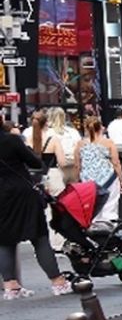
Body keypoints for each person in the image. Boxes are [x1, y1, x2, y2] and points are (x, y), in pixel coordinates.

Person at [0, 116, 71, 299]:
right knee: (39, 237)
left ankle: (10, 286)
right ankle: (58, 282)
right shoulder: (11, 140)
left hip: (1, 196)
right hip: (22, 193)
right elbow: (34, 162)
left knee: (5, 241)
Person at [74, 116, 122, 229]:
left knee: (92, 206)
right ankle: (109, 230)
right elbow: (116, 163)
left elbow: (77, 165)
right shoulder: (108, 143)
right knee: (110, 206)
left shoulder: (80, 144)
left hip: (87, 181)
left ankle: (93, 230)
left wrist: (78, 179)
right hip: (108, 178)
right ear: (100, 128)